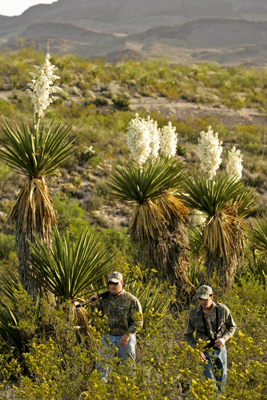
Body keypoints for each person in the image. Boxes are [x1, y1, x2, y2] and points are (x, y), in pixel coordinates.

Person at [90, 271, 143, 379]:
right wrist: (93, 305)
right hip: (107, 337)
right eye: (110, 283)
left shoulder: (132, 300)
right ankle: (100, 393)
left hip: (125, 339)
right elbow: (97, 317)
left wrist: (127, 335)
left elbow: (138, 322)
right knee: (102, 368)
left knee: (127, 369)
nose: (112, 286)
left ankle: (128, 393)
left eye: (115, 283)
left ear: (122, 283)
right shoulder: (104, 300)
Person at [184, 285, 236, 392]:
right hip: (203, 353)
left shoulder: (222, 309)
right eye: (200, 299)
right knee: (209, 385)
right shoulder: (193, 314)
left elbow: (232, 327)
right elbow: (187, 335)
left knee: (222, 385)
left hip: (220, 351)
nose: (202, 302)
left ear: (211, 296)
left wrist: (223, 339)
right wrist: (196, 350)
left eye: (205, 298)